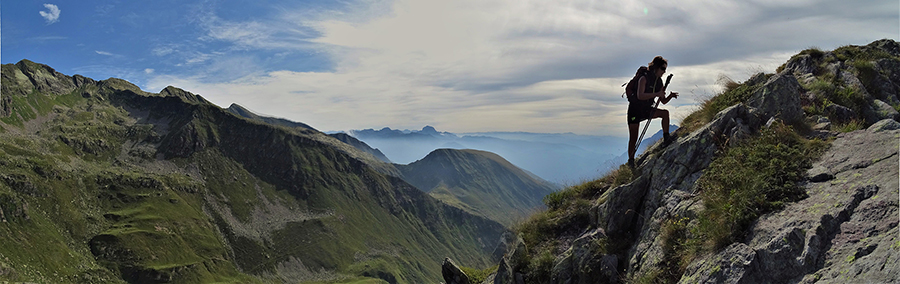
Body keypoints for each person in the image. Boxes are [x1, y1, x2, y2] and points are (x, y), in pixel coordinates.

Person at [627, 56, 678, 169]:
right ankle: (630, 161)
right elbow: (640, 95)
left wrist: (670, 96)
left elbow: (663, 101)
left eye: (665, 69)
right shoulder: (644, 78)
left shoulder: (658, 82)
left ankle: (666, 138)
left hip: (646, 109)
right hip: (635, 110)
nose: (664, 71)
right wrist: (656, 94)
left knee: (665, 113)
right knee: (634, 137)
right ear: (656, 67)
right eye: (663, 68)